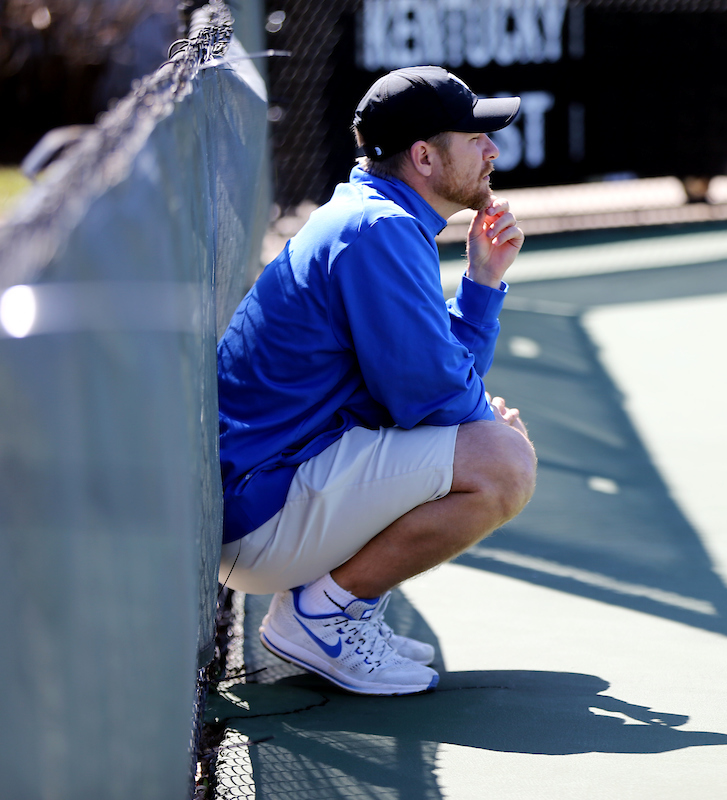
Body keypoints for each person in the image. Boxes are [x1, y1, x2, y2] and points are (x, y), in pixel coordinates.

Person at [216, 66, 537, 696]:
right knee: (503, 465)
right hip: (261, 512)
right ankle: (323, 616)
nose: (492, 150)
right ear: (423, 156)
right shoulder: (378, 230)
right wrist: (490, 429)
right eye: (476, 137)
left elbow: (433, 381)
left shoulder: (374, 216)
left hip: (269, 490)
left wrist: (483, 283)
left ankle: (342, 605)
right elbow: (438, 399)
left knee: (489, 447)